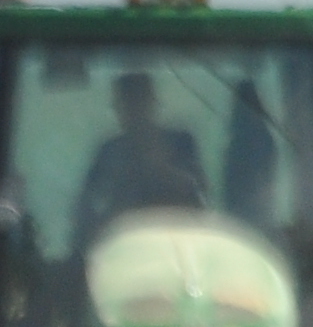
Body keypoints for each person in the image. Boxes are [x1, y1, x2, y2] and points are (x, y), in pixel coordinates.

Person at [72, 72, 212, 245]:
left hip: (179, 244)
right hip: (123, 246)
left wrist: (161, 168)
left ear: (152, 104)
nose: (135, 112)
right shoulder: (109, 151)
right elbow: (86, 211)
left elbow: (200, 196)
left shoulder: (182, 143)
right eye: (127, 105)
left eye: (140, 103)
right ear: (119, 109)